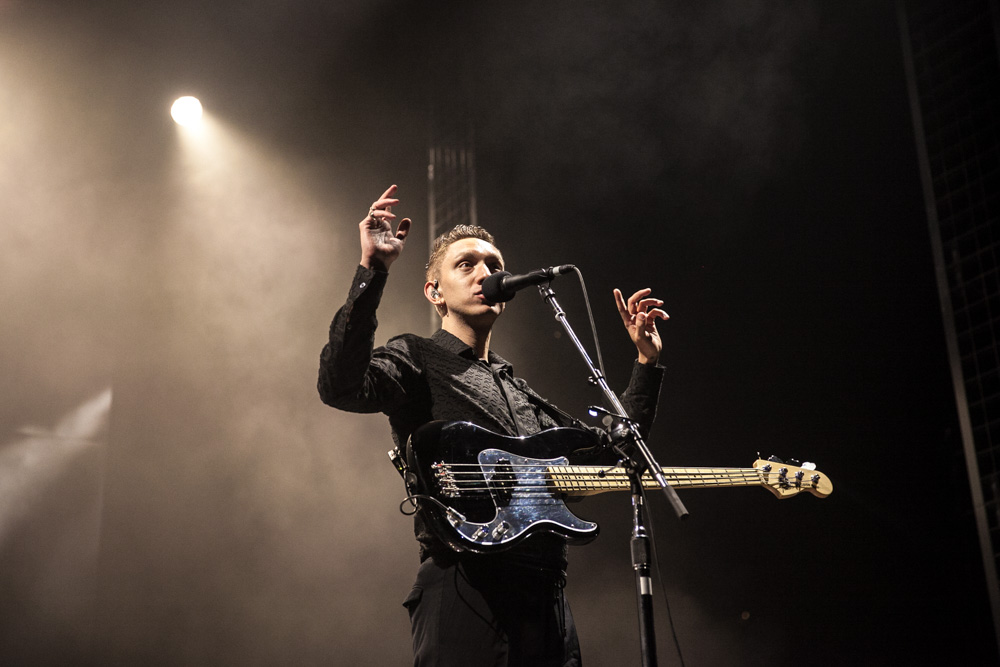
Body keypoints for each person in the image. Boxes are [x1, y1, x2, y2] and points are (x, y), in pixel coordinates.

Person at [318, 184, 668, 666]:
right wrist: (373, 270)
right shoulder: (416, 356)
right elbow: (340, 385)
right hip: (467, 585)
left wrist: (646, 363)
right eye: (466, 265)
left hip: (546, 599)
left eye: (494, 265)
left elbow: (613, 455)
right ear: (434, 292)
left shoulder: (520, 392)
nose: (486, 273)